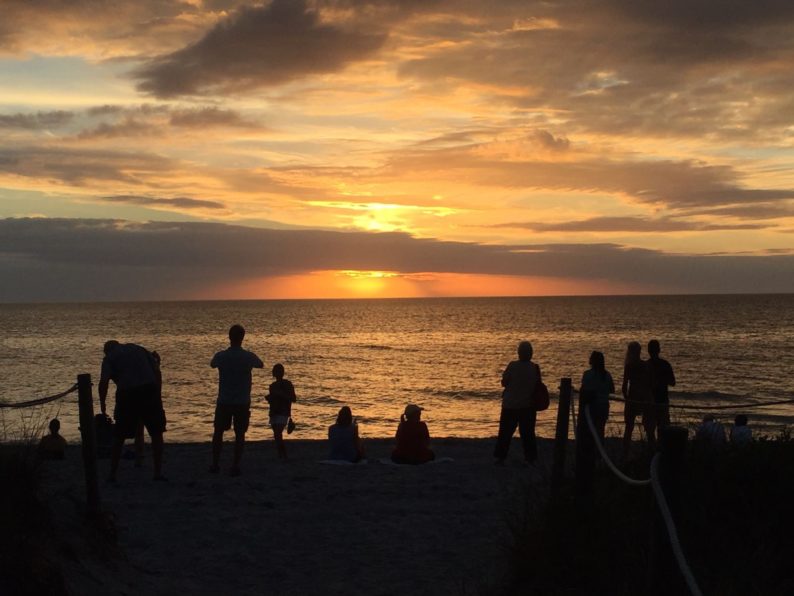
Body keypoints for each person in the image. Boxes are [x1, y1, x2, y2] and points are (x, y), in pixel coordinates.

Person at [99, 340, 166, 482]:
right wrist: (158, 394)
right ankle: (157, 472)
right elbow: (156, 371)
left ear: (107, 351)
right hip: (149, 390)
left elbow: (103, 382)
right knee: (156, 433)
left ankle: (112, 473)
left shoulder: (109, 358)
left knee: (119, 435)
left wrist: (102, 403)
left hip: (127, 394)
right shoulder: (139, 349)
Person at [210, 324, 264, 476]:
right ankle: (235, 465)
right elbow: (260, 364)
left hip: (224, 400)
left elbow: (212, 364)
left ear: (229, 337)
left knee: (218, 432)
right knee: (240, 434)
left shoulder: (221, 356)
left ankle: (215, 464)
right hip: (242, 400)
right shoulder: (248, 356)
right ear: (242, 338)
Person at [494, 340, 541, 464]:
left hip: (510, 404)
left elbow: (504, 382)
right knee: (528, 434)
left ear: (519, 353)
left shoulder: (512, 365)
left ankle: (501, 457)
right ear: (531, 353)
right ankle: (530, 458)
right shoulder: (534, 367)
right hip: (527, 405)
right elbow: (537, 385)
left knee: (505, 433)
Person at [621, 341, 654, 458]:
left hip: (633, 398)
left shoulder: (629, 366)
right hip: (644, 397)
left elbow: (624, 386)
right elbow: (649, 383)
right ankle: (651, 451)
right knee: (649, 427)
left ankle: (625, 454)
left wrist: (626, 399)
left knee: (629, 428)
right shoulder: (645, 365)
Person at [579, 351, 615, 441]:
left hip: (592, 406)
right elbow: (612, 389)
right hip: (604, 405)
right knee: (600, 430)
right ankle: (599, 449)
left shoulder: (587, 374)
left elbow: (583, 390)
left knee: (591, 430)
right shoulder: (607, 375)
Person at [266, 363, 296, 461]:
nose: (277, 373)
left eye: (279, 371)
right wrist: (270, 398)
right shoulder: (272, 386)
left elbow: (293, 398)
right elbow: (272, 400)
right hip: (274, 411)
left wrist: (281, 395)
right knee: (277, 435)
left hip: (283, 412)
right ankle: (281, 454)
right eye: (276, 371)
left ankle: (284, 455)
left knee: (278, 433)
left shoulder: (288, 384)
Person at [647, 339, 676, 432]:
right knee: (662, 429)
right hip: (659, 401)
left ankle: (653, 446)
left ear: (648, 351)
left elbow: (672, 382)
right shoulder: (665, 364)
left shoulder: (646, 365)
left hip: (651, 401)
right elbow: (673, 382)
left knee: (651, 430)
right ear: (659, 350)